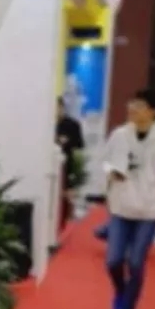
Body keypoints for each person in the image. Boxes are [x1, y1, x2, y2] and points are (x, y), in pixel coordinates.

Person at [102, 88, 155, 309]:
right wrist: (112, 173)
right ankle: (122, 292)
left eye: (139, 105)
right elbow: (106, 162)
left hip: (149, 211)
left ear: (153, 111)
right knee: (113, 261)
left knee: (136, 263)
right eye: (132, 103)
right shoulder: (119, 135)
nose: (132, 108)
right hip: (121, 207)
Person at [55, 96, 84, 230]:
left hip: (67, 165)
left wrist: (67, 141)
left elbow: (80, 145)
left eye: (58, 107)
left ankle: (63, 224)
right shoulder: (46, 125)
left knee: (64, 197)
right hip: (50, 165)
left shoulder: (72, 124)